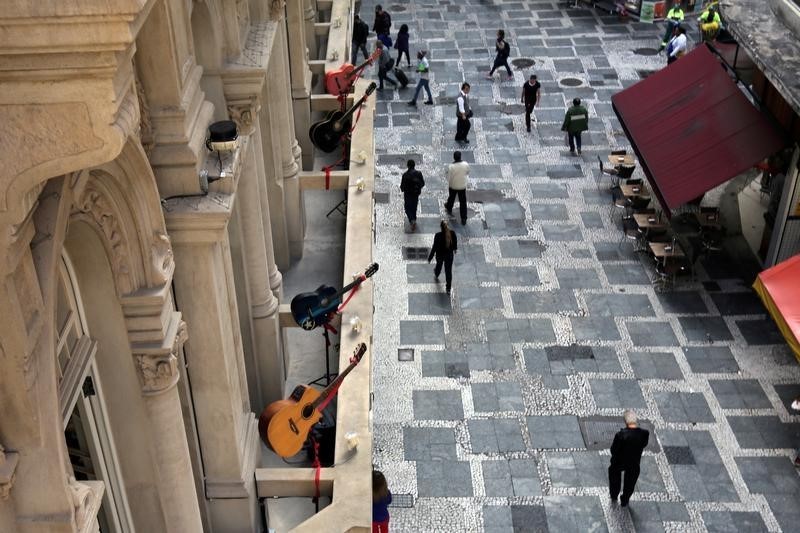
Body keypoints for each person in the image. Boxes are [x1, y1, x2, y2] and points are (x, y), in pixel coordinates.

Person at [609, 410, 649, 507]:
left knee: (614, 473)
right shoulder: (644, 434)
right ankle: (625, 499)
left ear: (626, 422)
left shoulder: (620, 435)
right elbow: (644, 444)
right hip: (634, 461)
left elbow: (614, 450)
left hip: (620, 461)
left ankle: (614, 494)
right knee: (630, 481)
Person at [428, 220, 458, 294]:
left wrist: (430, 257)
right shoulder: (452, 233)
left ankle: (437, 273)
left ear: (441, 228)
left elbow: (434, 247)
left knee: (439, 265)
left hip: (440, 255)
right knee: (448, 272)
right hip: (449, 256)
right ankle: (448, 288)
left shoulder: (438, 235)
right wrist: (454, 249)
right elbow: (455, 244)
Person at [444, 150, 469, 225]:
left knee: (452, 197)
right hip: (462, 185)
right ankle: (463, 218)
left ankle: (449, 207)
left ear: (454, 157)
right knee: (463, 202)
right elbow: (467, 172)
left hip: (453, 185)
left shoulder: (451, 166)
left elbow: (448, 177)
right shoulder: (465, 164)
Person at [400, 159, 425, 231]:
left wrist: (403, 189)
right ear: (414, 165)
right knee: (414, 207)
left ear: (407, 166)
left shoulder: (405, 175)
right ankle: (413, 219)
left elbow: (402, 187)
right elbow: (422, 183)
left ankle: (412, 220)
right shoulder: (419, 173)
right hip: (415, 193)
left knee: (407, 208)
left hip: (407, 194)